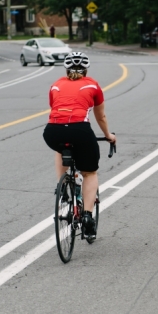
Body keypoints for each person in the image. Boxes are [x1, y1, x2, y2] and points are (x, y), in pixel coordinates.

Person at [43, 52, 116, 241]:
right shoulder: (93, 85)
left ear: (66, 69)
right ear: (86, 69)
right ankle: (87, 216)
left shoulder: (56, 85)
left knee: (60, 148)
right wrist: (109, 136)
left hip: (53, 131)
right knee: (90, 172)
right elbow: (100, 117)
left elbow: (55, 109)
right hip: (80, 130)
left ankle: (62, 186)